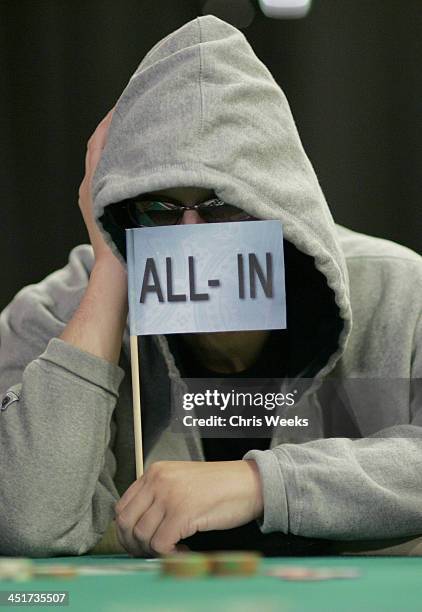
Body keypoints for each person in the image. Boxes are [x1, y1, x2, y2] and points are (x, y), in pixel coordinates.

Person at [1, 15, 421, 558]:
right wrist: (112, 267)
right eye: (159, 207)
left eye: (223, 204)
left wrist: (259, 484)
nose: (191, 235)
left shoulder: (398, 290)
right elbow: (25, 522)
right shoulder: (53, 315)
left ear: (281, 203)